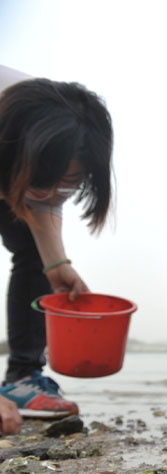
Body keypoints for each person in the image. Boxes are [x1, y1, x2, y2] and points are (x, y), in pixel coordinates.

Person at [0, 65, 114, 434]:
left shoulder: (57, 125)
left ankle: (22, 379)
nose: (49, 197)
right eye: (41, 183)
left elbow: (44, 202)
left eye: (70, 184)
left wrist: (56, 263)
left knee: (33, 255)